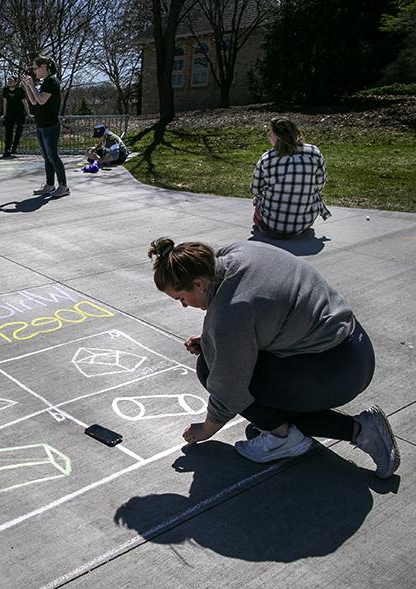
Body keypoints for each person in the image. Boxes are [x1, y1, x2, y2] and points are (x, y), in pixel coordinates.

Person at [147, 237, 398, 479]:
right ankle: (278, 425)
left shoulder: (229, 315)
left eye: (181, 298)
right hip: (354, 346)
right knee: (219, 359)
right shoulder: (235, 254)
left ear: (200, 284)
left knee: (211, 369)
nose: (183, 305)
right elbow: (260, 312)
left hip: (337, 370)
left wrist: (206, 429)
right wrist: (212, 340)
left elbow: (229, 391)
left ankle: (346, 431)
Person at [251, 117, 330, 239]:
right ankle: (299, 223)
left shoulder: (267, 158)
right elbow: (320, 184)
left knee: (257, 204)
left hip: (271, 225)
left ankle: (268, 224)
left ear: (277, 136)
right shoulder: (314, 153)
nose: (269, 137)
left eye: (271, 134)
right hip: (303, 223)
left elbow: (255, 190)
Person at [22, 56, 68, 198]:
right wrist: (28, 86)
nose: (35, 71)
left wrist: (32, 86)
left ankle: (63, 186)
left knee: (53, 156)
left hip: (50, 125)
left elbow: (41, 100)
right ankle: (49, 185)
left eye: (36, 68)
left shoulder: (51, 81)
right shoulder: (44, 83)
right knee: (47, 157)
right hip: (41, 125)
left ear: (43, 67)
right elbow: (34, 102)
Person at [0, 75, 29, 157]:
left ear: (15, 82)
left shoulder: (20, 90)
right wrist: (4, 114)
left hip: (19, 113)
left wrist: (28, 113)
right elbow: (5, 103)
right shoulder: (5, 90)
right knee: (8, 132)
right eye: (8, 80)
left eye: (11, 80)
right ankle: (7, 149)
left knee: (19, 131)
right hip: (10, 114)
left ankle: (14, 146)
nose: (9, 82)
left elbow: (25, 102)